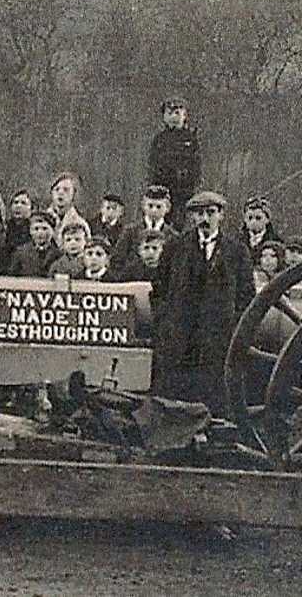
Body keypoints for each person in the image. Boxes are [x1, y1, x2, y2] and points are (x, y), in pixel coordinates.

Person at [153, 191, 253, 415]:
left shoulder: (236, 251)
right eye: (199, 214)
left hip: (218, 337)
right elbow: (159, 289)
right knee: (180, 394)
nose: (205, 219)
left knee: (215, 392)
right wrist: (165, 321)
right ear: (192, 217)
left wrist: (232, 325)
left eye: (210, 213)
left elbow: (247, 295)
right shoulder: (175, 248)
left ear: (221, 215)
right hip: (182, 336)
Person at [149, 97, 202, 230]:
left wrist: (190, 186)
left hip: (184, 192)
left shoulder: (191, 139)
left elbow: (196, 167)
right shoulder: (160, 139)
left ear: (185, 116)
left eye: (177, 113)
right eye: (169, 113)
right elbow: (153, 165)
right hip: (164, 190)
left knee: (182, 224)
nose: (173, 116)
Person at [115, 185, 178, 269]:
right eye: (150, 206)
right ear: (143, 206)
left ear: (167, 208)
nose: (154, 210)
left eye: (159, 206)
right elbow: (118, 260)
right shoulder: (130, 232)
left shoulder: (172, 236)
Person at [9, 211, 62, 277]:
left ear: (53, 231)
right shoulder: (21, 252)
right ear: (30, 231)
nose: (40, 233)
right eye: (36, 229)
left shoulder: (59, 254)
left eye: (44, 229)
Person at [47, 172, 90, 244]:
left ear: (74, 194)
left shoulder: (80, 224)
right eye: (57, 189)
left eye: (66, 190)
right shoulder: (43, 221)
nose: (60, 193)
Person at [2, 189, 34, 270]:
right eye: (15, 202)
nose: (18, 206)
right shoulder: (4, 229)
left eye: (23, 203)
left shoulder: (33, 230)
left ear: (31, 208)